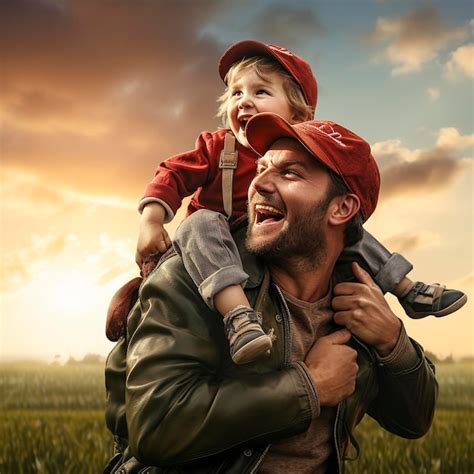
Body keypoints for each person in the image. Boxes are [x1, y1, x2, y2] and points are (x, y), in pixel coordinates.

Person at [104, 112, 438, 473]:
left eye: (289, 172)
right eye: (261, 168)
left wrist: (393, 342)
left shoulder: (358, 296)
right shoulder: (196, 277)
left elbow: (414, 422)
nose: (259, 183)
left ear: (342, 208)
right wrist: (309, 387)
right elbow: (156, 427)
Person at [123, 39, 466, 365]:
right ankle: (239, 317)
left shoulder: (307, 160)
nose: (243, 101)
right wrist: (151, 220)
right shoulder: (218, 147)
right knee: (201, 222)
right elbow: (173, 173)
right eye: (236, 92)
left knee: (342, 223)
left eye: (261, 92)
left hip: (275, 235)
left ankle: (406, 288)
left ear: (300, 115)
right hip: (216, 243)